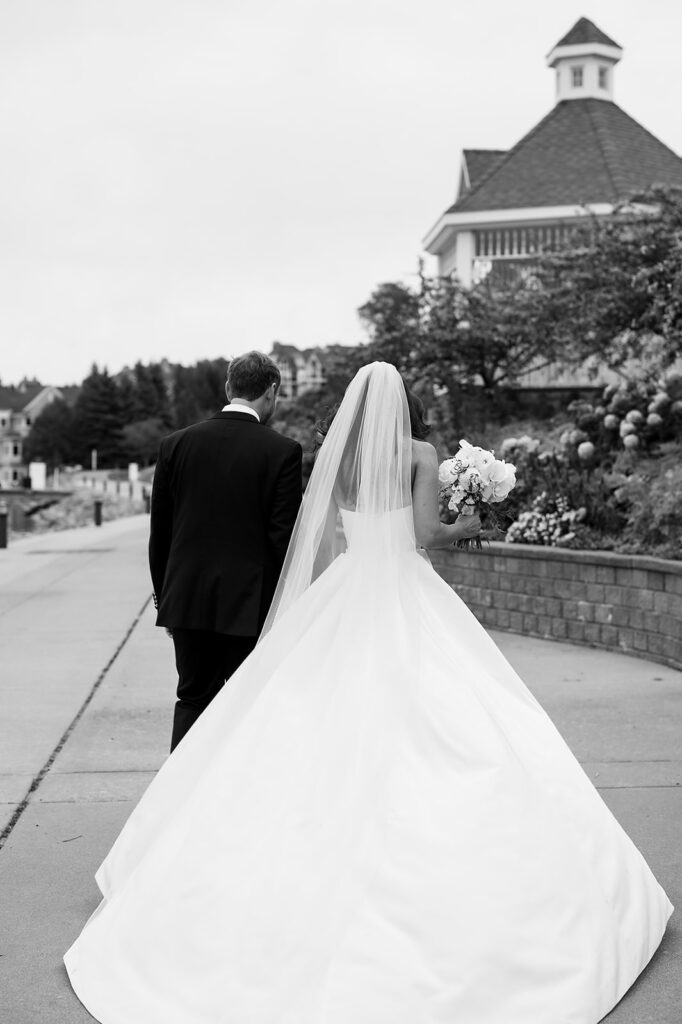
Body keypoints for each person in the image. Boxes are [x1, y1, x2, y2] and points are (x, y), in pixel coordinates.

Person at [65, 362, 672, 1024]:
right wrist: (469, 522)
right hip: (406, 589)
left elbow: (320, 539)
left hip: (349, 587)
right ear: (403, 404)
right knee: (455, 712)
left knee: (307, 717)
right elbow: (425, 535)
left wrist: (317, 600)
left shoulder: (338, 458)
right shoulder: (420, 453)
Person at [148, 350, 302, 750]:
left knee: (192, 699)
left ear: (229, 387)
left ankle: (180, 788)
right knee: (249, 703)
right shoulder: (282, 451)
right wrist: (282, 610)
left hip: (187, 600)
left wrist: (165, 599)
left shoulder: (174, 445)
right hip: (250, 607)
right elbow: (282, 540)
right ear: (271, 392)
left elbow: (160, 534)